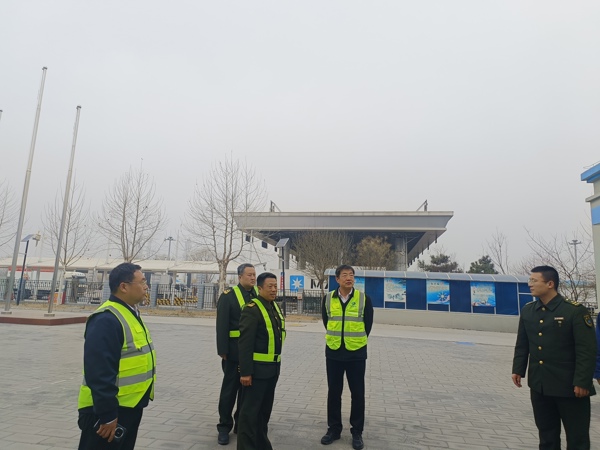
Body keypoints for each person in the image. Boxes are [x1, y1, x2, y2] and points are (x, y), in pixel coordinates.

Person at [512, 265, 596, 450]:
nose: (530, 284)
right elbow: (522, 343)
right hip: (540, 385)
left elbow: (586, 350)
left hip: (570, 387)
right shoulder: (528, 310)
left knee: (577, 439)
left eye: (534, 280)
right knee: (547, 437)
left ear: (550, 284)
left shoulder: (574, 311)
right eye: (529, 280)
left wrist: (582, 381)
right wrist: (518, 369)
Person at [77, 262, 156, 450]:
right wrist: (107, 415)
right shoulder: (107, 319)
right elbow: (99, 372)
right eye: (142, 282)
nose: (146, 287)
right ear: (124, 287)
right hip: (107, 411)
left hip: (129, 406)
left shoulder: (130, 312)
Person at [321, 265, 373, 450]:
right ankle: (334, 429)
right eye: (345, 275)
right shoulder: (328, 299)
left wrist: (354, 341)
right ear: (337, 279)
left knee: (357, 394)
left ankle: (357, 431)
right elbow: (326, 321)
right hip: (334, 352)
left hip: (356, 353)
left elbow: (368, 324)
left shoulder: (363, 298)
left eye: (351, 275)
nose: (349, 278)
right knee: (334, 393)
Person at [236, 272, 285, 450]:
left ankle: (261, 444)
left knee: (263, 413)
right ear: (259, 288)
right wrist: (245, 372)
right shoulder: (252, 309)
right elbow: (245, 343)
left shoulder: (274, 307)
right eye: (269, 286)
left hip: (272, 370)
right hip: (256, 372)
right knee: (249, 415)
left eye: (275, 286)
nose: (273, 290)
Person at [216, 263, 258, 445]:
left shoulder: (257, 295)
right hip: (233, 353)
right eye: (249, 275)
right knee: (230, 390)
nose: (253, 278)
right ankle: (224, 426)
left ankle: (241, 422)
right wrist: (222, 350)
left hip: (253, 353)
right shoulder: (229, 296)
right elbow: (222, 325)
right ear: (240, 277)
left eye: (254, 274)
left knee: (247, 391)